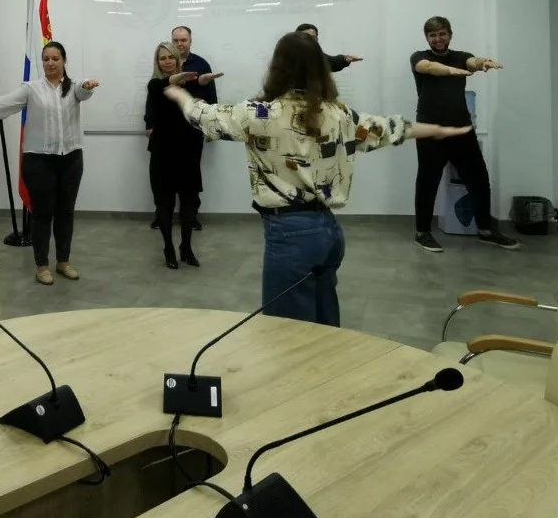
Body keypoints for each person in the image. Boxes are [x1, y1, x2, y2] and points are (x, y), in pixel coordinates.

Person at [164, 32, 471, 327]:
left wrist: (178, 93)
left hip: (290, 235)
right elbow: (390, 128)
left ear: (277, 67)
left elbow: (203, 115)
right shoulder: (337, 114)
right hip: (329, 233)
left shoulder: (259, 113)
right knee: (324, 327)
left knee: (287, 333)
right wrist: (439, 130)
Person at [0, 41, 98, 285]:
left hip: (71, 159)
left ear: (64, 61)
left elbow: (83, 92)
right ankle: (42, 266)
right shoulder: (32, 89)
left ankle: (63, 262)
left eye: (55, 59)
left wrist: (87, 85)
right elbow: (6, 102)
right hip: (38, 161)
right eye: (46, 59)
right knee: (42, 214)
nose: (50, 63)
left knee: (65, 213)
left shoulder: (73, 87)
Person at [410, 16, 521, 253]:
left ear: (450, 34)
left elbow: (472, 62)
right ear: (427, 38)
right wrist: (451, 70)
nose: (438, 39)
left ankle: (486, 230)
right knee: (428, 182)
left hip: (461, 129)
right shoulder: (419, 56)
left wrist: (482, 62)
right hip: (430, 131)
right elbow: (427, 68)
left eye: (442, 34)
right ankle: (422, 233)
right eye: (432, 35)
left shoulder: (461, 56)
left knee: (479, 178)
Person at [145, 25, 222, 230]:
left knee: (189, 180)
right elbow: (153, 97)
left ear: (190, 41)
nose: (179, 44)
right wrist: (149, 123)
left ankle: (190, 216)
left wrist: (211, 125)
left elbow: (208, 98)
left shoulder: (201, 64)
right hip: (165, 138)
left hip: (190, 135)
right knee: (163, 181)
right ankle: (162, 215)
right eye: (176, 40)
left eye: (183, 40)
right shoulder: (157, 78)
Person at [145, 41, 204, 270]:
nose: (167, 61)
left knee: (189, 201)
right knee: (165, 202)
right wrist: (178, 79)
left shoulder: (189, 83)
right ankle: (168, 247)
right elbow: (164, 85)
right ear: (157, 62)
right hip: (163, 152)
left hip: (188, 149)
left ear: (177, 59)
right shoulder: (155, 84)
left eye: (171, 57)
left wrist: (201, 82)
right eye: (163, 58)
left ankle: (186, 247)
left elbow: (201, 105)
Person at [296, 23, 363, 74]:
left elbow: (332, 62)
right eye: (306, 37)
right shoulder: (290, 54)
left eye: (313, 37)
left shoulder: (316, 56)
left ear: (317, 39)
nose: (310, 40)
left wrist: (345, 59)